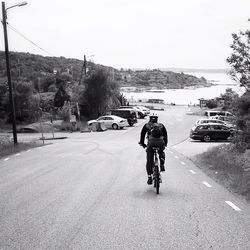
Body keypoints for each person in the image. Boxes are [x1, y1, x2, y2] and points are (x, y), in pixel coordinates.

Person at [139, 114, 168, 185]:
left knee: (149, 160)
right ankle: (162, 164)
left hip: (151, 143)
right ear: (157, 119)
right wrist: (165, 143)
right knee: (161, 152)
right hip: (160, 143)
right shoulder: (161, 125)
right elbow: (165, 135)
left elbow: (142, 135)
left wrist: (142, 143)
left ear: (150, 119)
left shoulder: (147, 125)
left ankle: (149, 177)